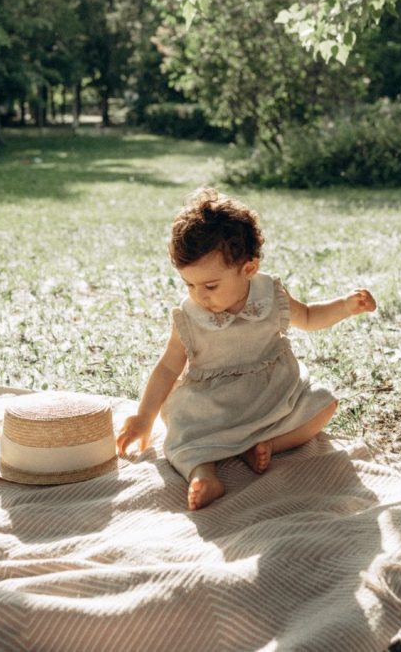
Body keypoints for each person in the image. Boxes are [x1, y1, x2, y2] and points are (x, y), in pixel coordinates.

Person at [116, 187, 377, 510]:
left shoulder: (270, 295)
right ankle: (202, 473)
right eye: (189, 285)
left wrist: (345, 306)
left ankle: (267, 444)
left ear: (249, 269)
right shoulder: (190, 317)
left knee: (323, 404)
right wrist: (144, 417)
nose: (200, 295)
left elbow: (309, 317)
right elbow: (168, 367)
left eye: (210, 286)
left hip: (271, 393)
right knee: (181, 434)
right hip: (212, 405)